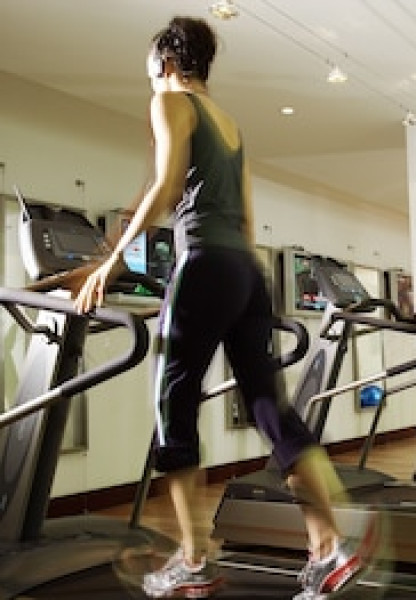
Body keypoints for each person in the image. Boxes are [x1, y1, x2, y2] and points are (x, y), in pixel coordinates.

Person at [73, 16, 378, 599]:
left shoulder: (169, 100)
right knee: (269, 407)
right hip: (245, 270)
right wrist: (110, 248)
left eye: (151, 69)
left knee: (173, 407)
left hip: (203, 263)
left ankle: (192, 560)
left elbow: (168, 187)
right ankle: (327, 548)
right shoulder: (229, 123)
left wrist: (113, 263)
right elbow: (241, 213)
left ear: (165, 62)